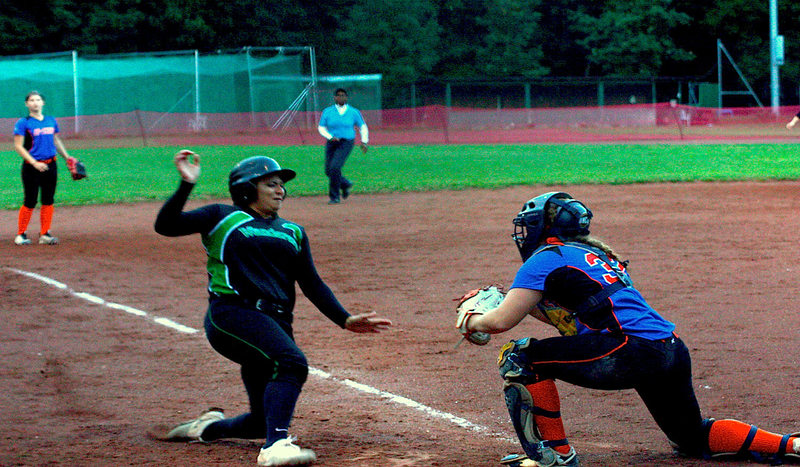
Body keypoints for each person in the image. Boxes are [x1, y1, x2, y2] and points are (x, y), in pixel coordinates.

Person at [457, 192, 799, 467]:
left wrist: (470, 318)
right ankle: (791, 445)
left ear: (538, 229)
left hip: (631, 351)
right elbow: (578, 326)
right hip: (668, 348)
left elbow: (500, 322)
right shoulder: (598, 257)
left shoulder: (545, 256)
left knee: (522, 357)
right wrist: (516, 303)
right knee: (691, 436)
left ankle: (555, 456)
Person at [154, 150, 392, 466]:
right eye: (271, 184)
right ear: (247, 188)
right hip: (232, 314)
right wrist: (186, 184)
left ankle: (206, 428)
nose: (280, 190)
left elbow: (312, 283)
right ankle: (276, 447)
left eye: (281, 184)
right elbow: (166, 225)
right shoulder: (222, 217)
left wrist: (344, 319)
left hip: (277, 322)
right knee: (292, 362)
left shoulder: (292, 231)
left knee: (260, 421)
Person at [12, 91, 76, 245]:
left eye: (38, 99)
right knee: (30, 200)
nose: (35, 102)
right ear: (27, 104)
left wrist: (67, 157)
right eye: (32, 100)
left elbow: (55, 140)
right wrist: (34, 163)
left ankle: (45, 234)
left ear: (43, 103)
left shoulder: (51, 121)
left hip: (50, 165)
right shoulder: (23, 123)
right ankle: (21, 234)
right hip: (31, 167)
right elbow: (18, 146)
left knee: (48, 200)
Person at [317, 88, 368, 205]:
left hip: (346, 142)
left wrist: (364, 141)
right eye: (338, 95)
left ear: (347, 97)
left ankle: (334, 197)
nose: (341, 98)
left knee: (335, 167)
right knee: (328, 170)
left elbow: (362, 126)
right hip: (332, 142)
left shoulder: (353, 112)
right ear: (334, 97)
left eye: (343, 95)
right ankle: (345, 184)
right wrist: (330, 137)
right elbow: (321, 127)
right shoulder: (328, 111)